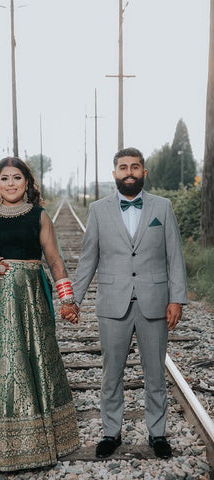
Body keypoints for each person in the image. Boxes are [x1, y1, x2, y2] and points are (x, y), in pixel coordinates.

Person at [0, 157, 80, 472]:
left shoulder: (39, 216)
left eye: (17, 178)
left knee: (34, 361)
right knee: (1, 363)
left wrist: (67, 300)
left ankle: (42, 436)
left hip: (31, 302)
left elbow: (55, 261)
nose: (10, 184)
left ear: (28, 183)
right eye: (4, 178)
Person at [71, 147, 187, 460]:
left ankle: (157, 433)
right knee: (111, 373)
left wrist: (177, 299)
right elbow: (88, 260)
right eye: (123, 167)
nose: (129, 172)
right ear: (115, 174)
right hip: (112, 304)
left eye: (135, 167)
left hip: (155, 302)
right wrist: (74, 300)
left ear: (143, 172)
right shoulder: (98, 210)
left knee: (155, 374)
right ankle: (111, 432)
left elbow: (174, 256)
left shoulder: (162, 207)